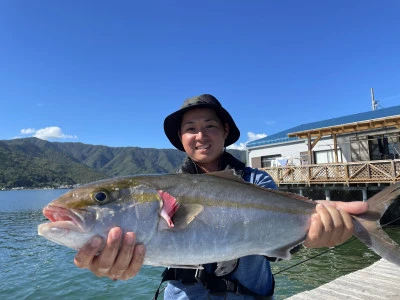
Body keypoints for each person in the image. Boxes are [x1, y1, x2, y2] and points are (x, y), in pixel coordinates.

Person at [74, 94, 369, 299]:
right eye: (190, 129)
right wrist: (115, 267)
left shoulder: (257, 181)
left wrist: (311, 238)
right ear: (181, 138)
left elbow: (276, 249)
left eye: (209, 126)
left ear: (225, 131)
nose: (200, 135)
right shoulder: (166, 190)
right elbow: (145, 249)